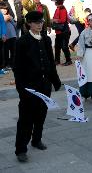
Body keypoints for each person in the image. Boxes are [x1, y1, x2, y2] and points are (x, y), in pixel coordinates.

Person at [13, 11, 61, 163]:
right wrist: (21, 89)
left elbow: (50, 61)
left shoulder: (46, 39)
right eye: (36, 22)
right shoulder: (22, 41)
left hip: (44, 85)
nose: (40, 24)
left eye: (41, 22)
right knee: (25, 119)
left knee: (41, 114)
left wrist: (55, 80)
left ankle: (36, 139)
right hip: (29, 87)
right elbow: (17, 67)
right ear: (29, 24)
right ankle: (21, 149)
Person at [51, 0, 72, 66]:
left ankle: (68, 60)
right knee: (57, 46)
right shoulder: (59, 8)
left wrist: (54, 20)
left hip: (64, 31)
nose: (54, 3)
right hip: (60, 31)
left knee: (64, 46)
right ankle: (57, 61)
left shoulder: (62, 9)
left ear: (57, 2)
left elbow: (63, 20)